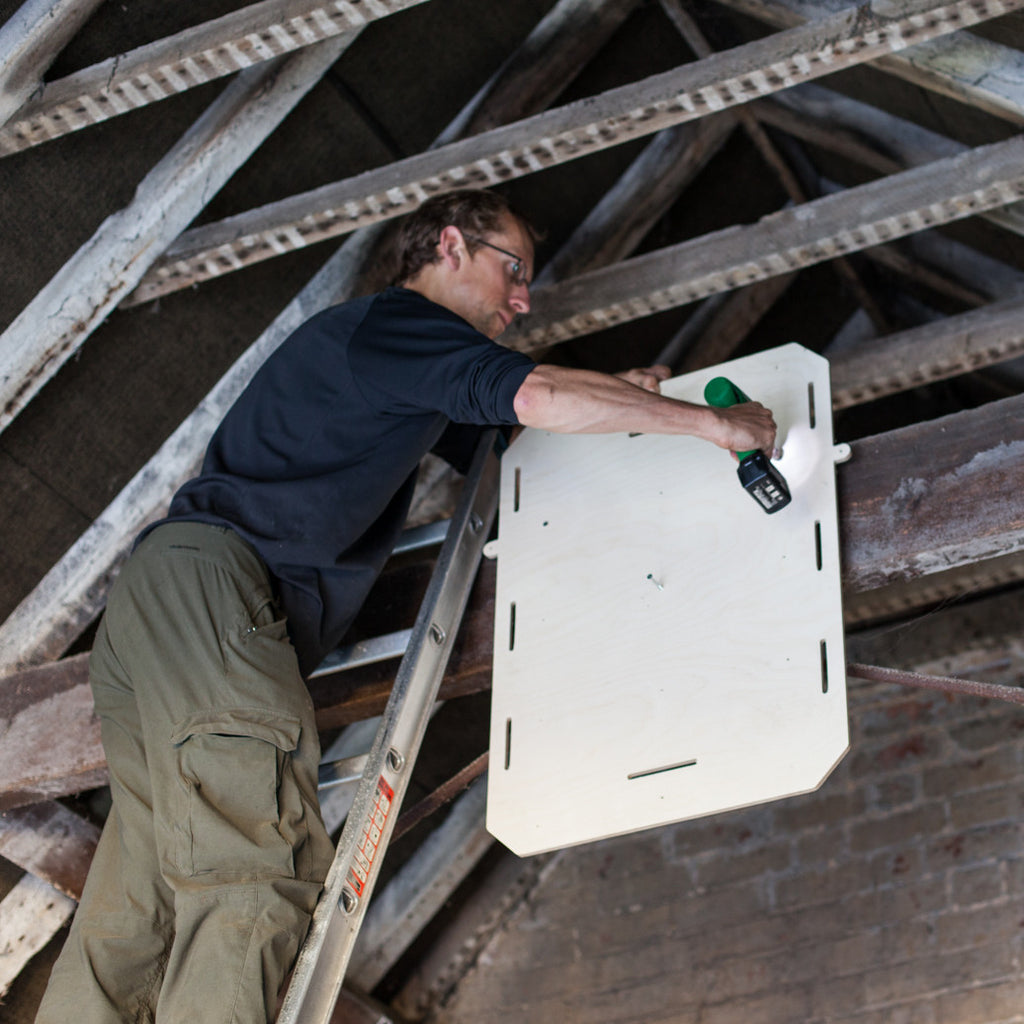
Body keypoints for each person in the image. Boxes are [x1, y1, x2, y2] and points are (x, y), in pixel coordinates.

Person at [36, 189, 776, 1024]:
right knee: (253, 873)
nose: (524, 299)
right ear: (450, 246)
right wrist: (708, 427)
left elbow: (513, 432)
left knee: (135, 910)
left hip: (154, 611)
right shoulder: (399, 326)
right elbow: (534, 396)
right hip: (216, 591)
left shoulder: (401, 369)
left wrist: (624, 395)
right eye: (515, 270)